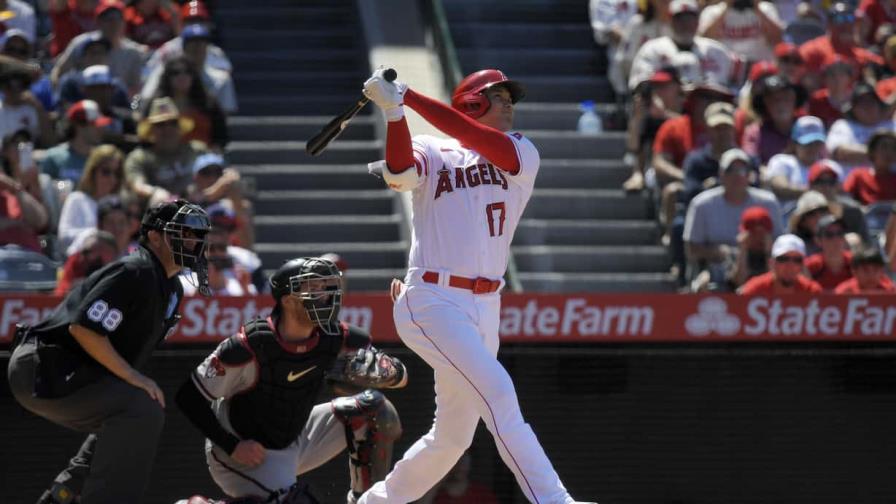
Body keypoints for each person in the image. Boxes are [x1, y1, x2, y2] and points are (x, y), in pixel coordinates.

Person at [359, 67, 596, 504]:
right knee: (500, 395)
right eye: (498, 95)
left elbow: (480, 142)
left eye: (509, 97)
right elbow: (399, 171)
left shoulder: (522, 151)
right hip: (433, 297)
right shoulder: (435, 147)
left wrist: (406, 96)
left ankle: (376, 502)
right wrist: (394, 112)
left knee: (451, 438)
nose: (508, 104)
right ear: (471, 102)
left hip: (486, 306)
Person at [6, 199, 211, 503]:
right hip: (43, 366)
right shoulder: (136, 270)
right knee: (141, 408)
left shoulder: (170, 288)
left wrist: (133, 379)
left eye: (198, 234)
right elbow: (85, 329)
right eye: (184, 232)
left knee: (128, 414)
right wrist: (134, 378)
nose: (194, 241)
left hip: (71, 371)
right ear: (155, 236)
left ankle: (63, 495)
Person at [175, 257, 406, 503]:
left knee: (376, 411)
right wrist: (231, 445)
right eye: (313, 289)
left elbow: (401, 377)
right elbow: (188, 396)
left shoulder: (339, 337)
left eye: (327, 288)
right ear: (287, 300)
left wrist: (389, 373)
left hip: (294, 435)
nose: (325, 296)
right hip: (245, 450)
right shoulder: (250, 346)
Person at [684, 147, 782, 289]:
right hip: (716, 266)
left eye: (742, 171)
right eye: (730, 170)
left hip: (763, 262)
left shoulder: (768, 202)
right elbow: (691, 249)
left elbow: (779, 241)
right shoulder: (701, 204)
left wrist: (762, 247)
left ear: (750, 175)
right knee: (704, 283)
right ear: (721, 174)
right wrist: (718, 252)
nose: (737, 176)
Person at [629, 0, 738, 90]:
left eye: (690, 19)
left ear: (697, 21)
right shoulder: (652, 49)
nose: (685, 24)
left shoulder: (716, 50)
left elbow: (735, 87)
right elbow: (639, 86)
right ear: (670, 21)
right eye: (680, 19)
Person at [52, 0, 149, 94]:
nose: (114, 22)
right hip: (83, 102)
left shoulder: (133, 52)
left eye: (118, 17)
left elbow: (136, 88)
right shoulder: (80, 44)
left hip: (119, 105)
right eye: (108, 18)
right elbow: (58, 74)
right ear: (98, 22)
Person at [125, 96, 206, 202]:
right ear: (151, 130)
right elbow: (137, 185)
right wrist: (155, 192)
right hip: (159, 211)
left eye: (173, 123)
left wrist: (200, 189)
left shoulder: (197, 150)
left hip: (199, 206)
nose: (167, 129)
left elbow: (216, 175)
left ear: (179, 127)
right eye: (160, 125)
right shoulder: (139, 157)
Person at [149, 56, 229, 149]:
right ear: (167, 77)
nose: (182, 76)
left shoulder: (208, 103)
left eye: (188, 72)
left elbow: (221, 136)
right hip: (164, 158)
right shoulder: (157, 104)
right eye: (175, 73)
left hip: (202, 158)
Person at [57, 143, 126, 250]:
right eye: (106, 172)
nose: (112, 179)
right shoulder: (76, 199)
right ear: (93, 172)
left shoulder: (117, 203)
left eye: (116, 173)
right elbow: (63, 237)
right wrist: (95, 235)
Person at [826, 81, 896, 175]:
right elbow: (839, 152)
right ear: (853, 109)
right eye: (862, 103)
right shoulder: (843, 126)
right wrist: (880, 154)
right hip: (852, 185)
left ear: (879, 105)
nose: (867, 107)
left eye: (871, 102)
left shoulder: (891, 125)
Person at [40, 99, 109, 183]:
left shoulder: (104, 160)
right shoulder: (53, 158)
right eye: (94, 125)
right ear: (79, 126)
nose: (101, 129)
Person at [697, 0, 784, 63]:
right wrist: (726, 8)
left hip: (758, 67)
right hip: (726, 68)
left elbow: (778, 40)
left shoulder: (766, 8)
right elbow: (705, 42)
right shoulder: (712, 12)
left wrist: (757, 9)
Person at [765, 115, 828, 202]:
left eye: (817, 143)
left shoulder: (828, 166)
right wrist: (816, 192)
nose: (813, 148)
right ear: (794, 143)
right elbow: (780, 187)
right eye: (808, 143)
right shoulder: (781, 161)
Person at [738, 233, 823, 294]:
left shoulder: (811, 291)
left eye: (797, 260)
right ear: (772, 262)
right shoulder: (755, 289)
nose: (790, 265)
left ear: (802, 265)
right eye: (783, 259)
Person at [53, 228, 119, 296]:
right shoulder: (76, 261)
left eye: (88, 251)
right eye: (85, 251)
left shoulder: (120, 269)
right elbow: (61, 292)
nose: (83, 256)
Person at [843, 129, 896, 205]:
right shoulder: (859, 175)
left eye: (893, 148)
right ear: (872, 151)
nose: (889, 152)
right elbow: (845, 197)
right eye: (884, 147)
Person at [805, 214, 854, 290]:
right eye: (829, 235)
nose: (836, 239)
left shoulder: (855, 263)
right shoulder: (811, 266)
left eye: (840, 233)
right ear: (818, 241)